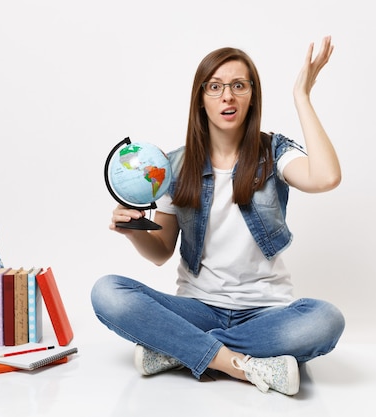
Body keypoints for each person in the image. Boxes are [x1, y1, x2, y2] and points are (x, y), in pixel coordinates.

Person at [91, 36, 345, 396]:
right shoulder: (174, 166)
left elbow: (326, 177)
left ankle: (178, 350)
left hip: (265, 312)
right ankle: (241, 365)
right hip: (197, 307)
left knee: (325, 320)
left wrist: (302, 95)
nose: (227, 96)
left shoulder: (274, 152)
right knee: (108, 292)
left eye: (238, 85)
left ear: (252, 96)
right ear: (201, 99)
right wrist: (135, 231)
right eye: (215, 87)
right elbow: (162, 251)